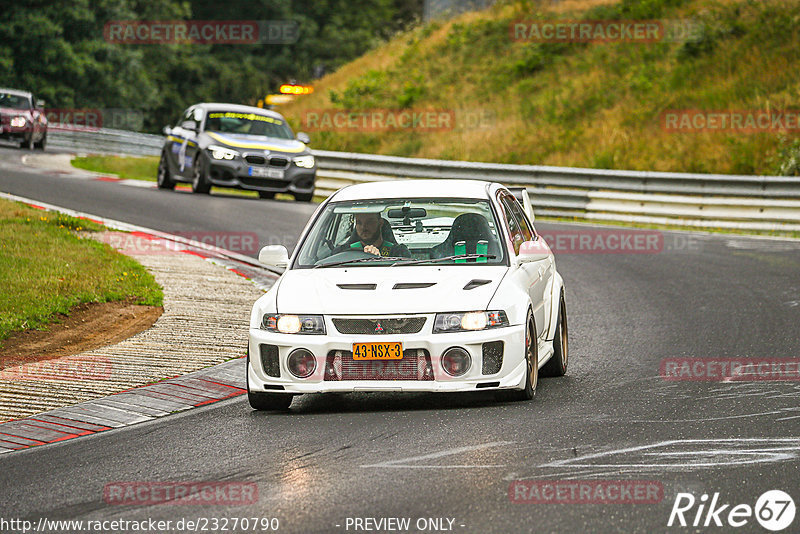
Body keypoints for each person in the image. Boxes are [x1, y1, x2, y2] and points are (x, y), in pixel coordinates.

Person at [338, 212, 410, 257]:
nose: (363, 227)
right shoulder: (343, 252)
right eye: (359, 223)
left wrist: (379, 260)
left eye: (369, 222)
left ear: (381, 223)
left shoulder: (398, 253)